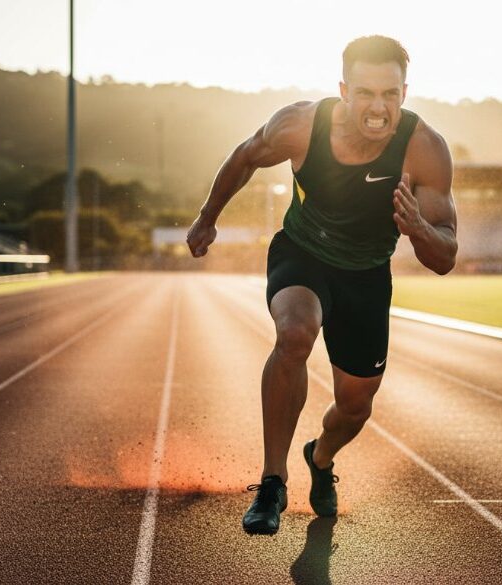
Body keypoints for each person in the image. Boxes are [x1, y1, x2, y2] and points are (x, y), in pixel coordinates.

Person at [186, 35, 457, 535]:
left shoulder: (424, 149)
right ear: (343, 89)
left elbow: (445, 255)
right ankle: (272, 482)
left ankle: (321, 456)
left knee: (355, 405)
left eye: (390, 95)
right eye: (365, 93)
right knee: (294, 334)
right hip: (303, 253)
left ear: (404, 93)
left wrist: (418, 228)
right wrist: (207, 218)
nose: (378, 107)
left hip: (367, 275)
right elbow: (246, 156)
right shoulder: (300, 126)